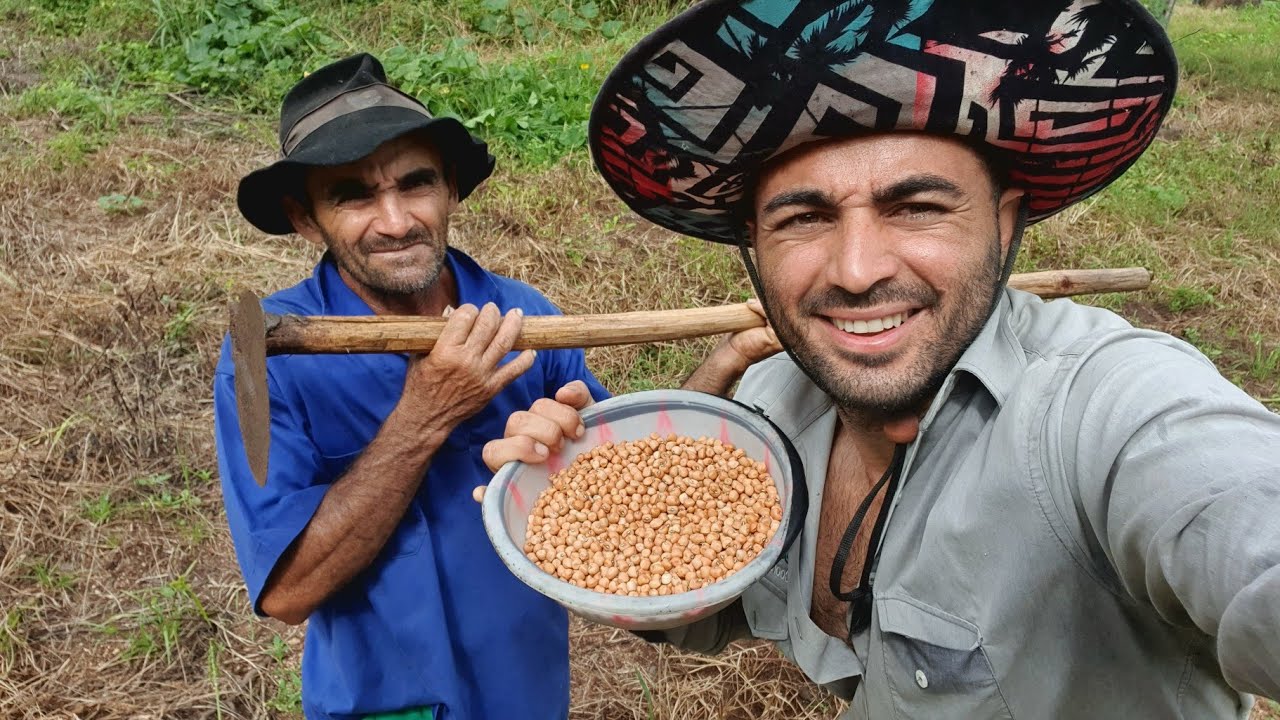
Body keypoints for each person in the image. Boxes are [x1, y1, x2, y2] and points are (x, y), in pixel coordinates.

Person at [481, 1, 1280, 718]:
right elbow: (704, 609)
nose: (857, 270)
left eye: (917, 207)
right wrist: (608, 506)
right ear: (754, 253)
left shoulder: (1104, 405)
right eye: (803, 218)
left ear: (1005, 226)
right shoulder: (773, 405)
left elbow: (1238, 519)